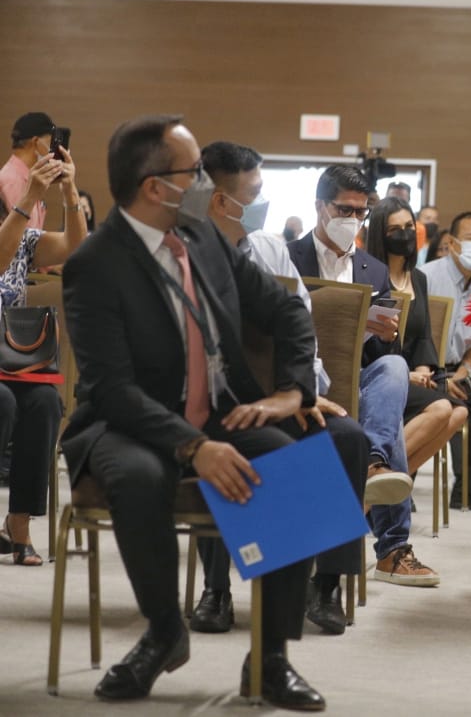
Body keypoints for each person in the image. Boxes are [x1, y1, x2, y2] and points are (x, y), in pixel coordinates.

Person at [60, 115, 326, 709]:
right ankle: (162, 632)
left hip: (218, 412)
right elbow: (111, 388)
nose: (206, 181)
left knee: (297, 469)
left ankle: (271, 660)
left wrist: (292, 390)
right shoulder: (95, 264)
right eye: (196, 171)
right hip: (127, 422)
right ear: (157, 186)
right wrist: (192, 446)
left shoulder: (204, 238)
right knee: (139, 475)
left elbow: (284, 312)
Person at [193, 141, 372, 636]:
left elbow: (301, 324)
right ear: (217, 199)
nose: (261, 205)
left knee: (348, 438)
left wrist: (304, 390)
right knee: (228, 440)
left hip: (283, 396)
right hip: (213, 407)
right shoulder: (182, 258)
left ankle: (326, 586)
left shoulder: (269, 250)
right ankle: (216, 589)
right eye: (252, 194)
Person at [287, 165, 439, 587]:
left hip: (356, 376)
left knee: (393, 366)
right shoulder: (288, 257)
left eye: (361, 212)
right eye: (343, 209)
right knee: (387, 427)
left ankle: (373, 464)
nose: (352, 220)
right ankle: (392, 546)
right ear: (320, 206)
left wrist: (385, 332)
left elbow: (385, 349)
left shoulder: (372, 270)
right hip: (301, 377)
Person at [0, 143, 87, 566]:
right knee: (2, 403)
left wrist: (70, 193)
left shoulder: (25, 237)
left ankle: (18, 523)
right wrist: (30, 197)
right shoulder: (12, 231)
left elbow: (76, 248)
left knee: (45, 403)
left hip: (11, 360)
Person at [365, 198, 468, 475]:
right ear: (380, 234)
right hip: (381, 375)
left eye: (409, 226)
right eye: (395, 229)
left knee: (459, 412)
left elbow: (423, 336)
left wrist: (423, 371)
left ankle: (389, 486)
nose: (405, 234)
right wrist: (405, 374)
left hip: (414, 375)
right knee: (441, 410)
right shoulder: (370, 276)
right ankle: (374, 478)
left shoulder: (418, 278)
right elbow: (369, 341)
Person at [418, 211, 471, 511]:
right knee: (420, 404)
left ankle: (470, 492)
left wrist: (465, 370)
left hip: (461, 369)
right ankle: (397, 490)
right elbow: (415, 334)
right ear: (452, 243)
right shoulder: (426, 277)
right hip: (425, 367)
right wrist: (438, 376)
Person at [4, 112, 63, 230]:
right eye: (49, 143)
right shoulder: (13, 182)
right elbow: (21, 241)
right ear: (36, 142)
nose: (51, 150)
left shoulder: (28, 179)